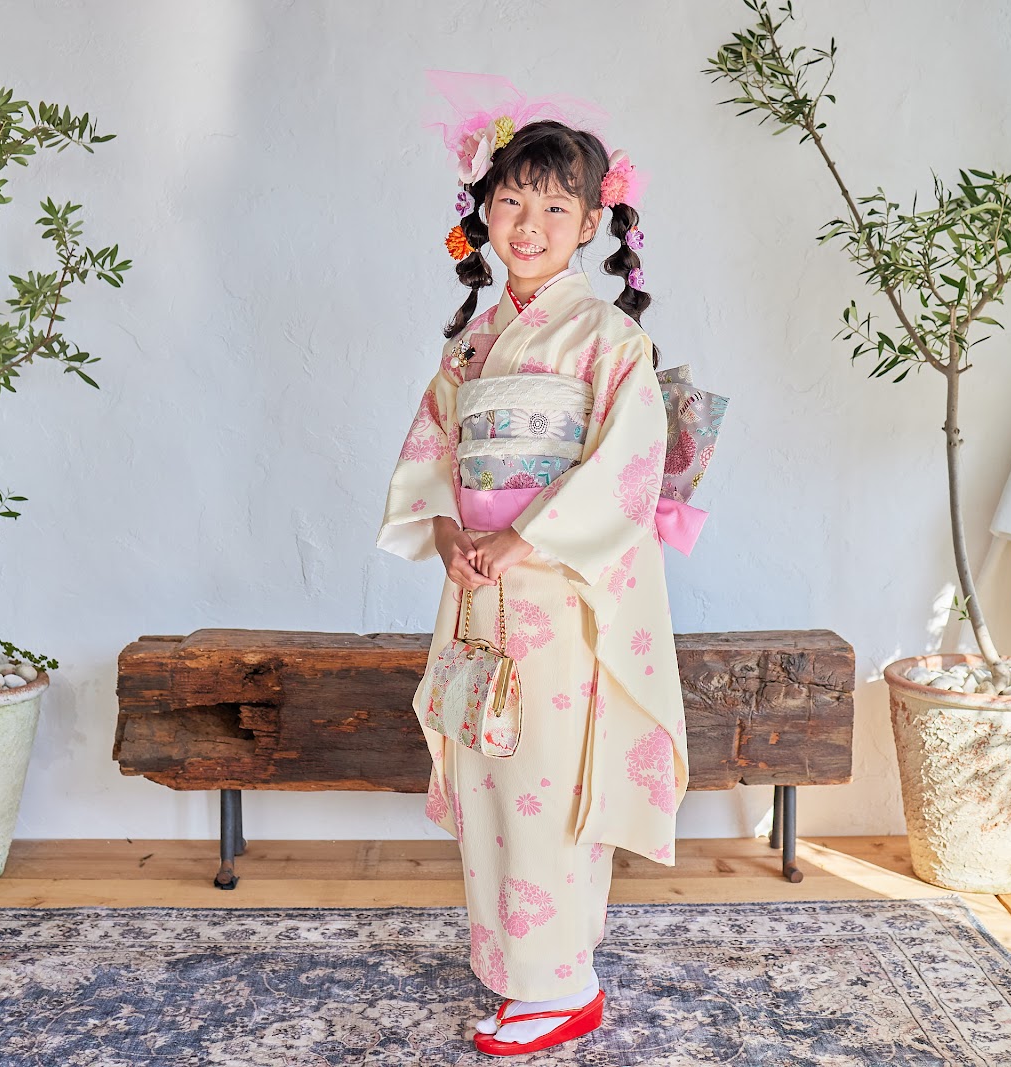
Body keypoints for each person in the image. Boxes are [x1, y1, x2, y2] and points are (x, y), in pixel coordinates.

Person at [377, 73, 689, 1058]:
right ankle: (518, 967)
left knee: (548, 781)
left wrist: (520, 540)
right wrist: (447, 537)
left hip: (558, 595)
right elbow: (432, 454)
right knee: (486, 771)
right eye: (511, 200)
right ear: (482, 210)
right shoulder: (472, 344)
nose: (529, 223)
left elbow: (627, 466)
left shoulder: (609, 338)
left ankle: (561, 983)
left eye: (556, 207)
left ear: (593, 222)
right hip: (477, 589)